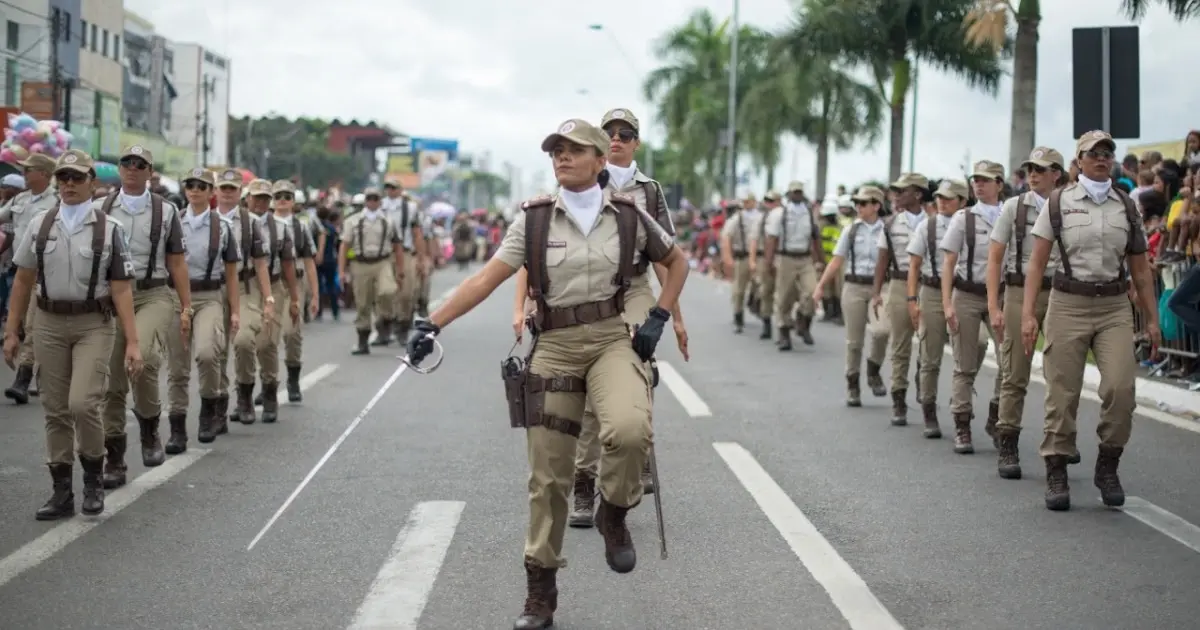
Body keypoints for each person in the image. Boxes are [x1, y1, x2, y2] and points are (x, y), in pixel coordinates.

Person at [406, 118, 688, 630]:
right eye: (556, 149)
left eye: (575, 149)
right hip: (555, 346)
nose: (562, 156)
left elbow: (678, 262)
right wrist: (433, 323)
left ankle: (615, 513)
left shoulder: (630, 215)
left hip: (611, 340)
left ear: (602, 160)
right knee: (548, 478)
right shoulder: (534, 221)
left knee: (628, 432)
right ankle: (541, 591)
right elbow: (486, 277)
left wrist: (659, 316)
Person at [1022, 130, 1161, 512]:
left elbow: (1141, 270)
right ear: (1078, 161)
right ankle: (1057, 468)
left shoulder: (1125, 206)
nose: (1101, 158)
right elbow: (1036, 264)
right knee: (1062, 393)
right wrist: (1028, 315)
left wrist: (1151, 319)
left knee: (1121, 389)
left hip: (1114, 306)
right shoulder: (1058, 202)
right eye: (1093, 153)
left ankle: (1108, 464)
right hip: (1067, 304)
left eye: (1107, 153)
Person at [2, 149, 141, 520]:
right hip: (47, 322)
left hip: (93, 323)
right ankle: (62, 491)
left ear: (91, 183)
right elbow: (23, 280)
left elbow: (122, 288)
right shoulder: (40, 224)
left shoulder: (110, 229)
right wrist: (12, 330)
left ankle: (93, 480)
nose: (68, 184)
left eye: (77, 178)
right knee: (56, 409)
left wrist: (133, 341)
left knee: (82, 403)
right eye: (63, 177)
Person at [97, 145, 190, 488]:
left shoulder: (166, 211)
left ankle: (150, 427)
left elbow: (177, 262)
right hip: (113, 297)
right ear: (120, 169)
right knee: (111, 377)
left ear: (150, 171)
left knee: (146, 359)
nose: (133, 169)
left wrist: (186, 307)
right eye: (127, 163)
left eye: (140, 164)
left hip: (153, 293)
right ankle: (115, 457)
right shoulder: (101, 208)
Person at [986, 148, 1074, 479]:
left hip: (1062, 293)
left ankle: (1064, 438)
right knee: (1015, 369)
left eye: (1042, 169)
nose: (1034, 174)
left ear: (1058, 174)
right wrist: (994, 305)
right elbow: (995, 257)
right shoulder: (1013, 207)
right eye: (1030, 169)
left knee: (1064, 370)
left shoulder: (1071, 205)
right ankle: (1007, 438)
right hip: (1020, 290)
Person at [163, 168, 241, 448]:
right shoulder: (172, 221)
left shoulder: (223, 227)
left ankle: (208, 412)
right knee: (177, 364)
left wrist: (234, 311)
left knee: (209, 354)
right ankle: (177, 426)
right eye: (190, 185)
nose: (195, 190)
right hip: (174, 297)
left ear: (212, 192)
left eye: (202, 185)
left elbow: (231, 274)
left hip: (209, 296)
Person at [939, 161, 1006, 454]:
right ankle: (962, 426)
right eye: (975, 180)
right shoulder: (963, 218)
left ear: (999, 185)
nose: (978, 184)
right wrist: (947, 305)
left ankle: (997, 416)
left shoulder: (1011, 215)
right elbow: (949, 262)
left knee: (1010, 363)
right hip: (966, 294)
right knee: (964, 365)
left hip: (1002, 297)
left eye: (986, 180)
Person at [904, 179, 970, 437]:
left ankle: (961, 402)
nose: (942, 201)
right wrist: (912, 300)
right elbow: (913, 265)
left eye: (949, 198)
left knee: (972, 347)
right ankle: (929, 408)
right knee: (930, 356)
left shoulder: (972, 224)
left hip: (963, 291)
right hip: (931, 291)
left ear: (963, 202)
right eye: (940, 197)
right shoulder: (927, 226)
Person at [812, 185, 889, 406]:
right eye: (857, 203)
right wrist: (820, 286)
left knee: (882, 331)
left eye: (864, 203)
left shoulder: (887, 230)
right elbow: (836, 260)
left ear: (876, 205)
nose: (858, 207)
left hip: (881, 288)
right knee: (854, 342)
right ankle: (853, 383)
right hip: (854, 287)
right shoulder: (851, 230)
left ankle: (873, 370)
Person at [231, 179, 299, 423]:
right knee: (243, 342)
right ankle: (244, 394)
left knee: (266, 343)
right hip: (245, 285)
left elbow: (289, 265)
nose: (260, 202)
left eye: (265, 199)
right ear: (247, 198)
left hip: (274, 287)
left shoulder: (280, 228)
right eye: (256, 197)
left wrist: (294, 298)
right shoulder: (234, 223)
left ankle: (270, 391)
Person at [214, 170, 273, 429]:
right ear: (216, 191)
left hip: (245, 285)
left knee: (244, 340)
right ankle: (217, 405)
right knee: (214, 349)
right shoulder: (204, 218)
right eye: (223, 188)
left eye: (232, 189)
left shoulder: (251, 222)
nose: (227, 192)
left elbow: (261, 263)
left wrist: (269, 297)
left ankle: (245, 396)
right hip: (213, 289)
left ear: (240, 193)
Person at [873, 173, 930, 424]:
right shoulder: (890, 224)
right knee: (900, 343)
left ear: (917, 194)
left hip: (928, 284)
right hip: (898, 282)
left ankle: (924, 383)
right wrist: (876, 292)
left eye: (902, 190)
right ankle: (898, 399)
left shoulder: (935, 222)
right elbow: (882, 260)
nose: (896, 195)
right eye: (895, 191)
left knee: (929, 343)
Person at [1, 154, 57, 404]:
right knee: (22, 323)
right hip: (18, 270)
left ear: (44, 174)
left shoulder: (57, 201)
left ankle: (23, 380)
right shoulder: (19, 199)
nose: (24, 173)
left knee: (33, 326)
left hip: (43, 273)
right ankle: (43, 373)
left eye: (29, 169)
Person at [339, 188, 404, 354]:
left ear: (380, 201)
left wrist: (400, 269)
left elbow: (397, 246)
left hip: (382, 261)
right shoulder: (353, 221)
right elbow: (344, 246)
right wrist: (341, 270)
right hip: (360, 264)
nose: (373, 202)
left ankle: (386, 318)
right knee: (362, 302)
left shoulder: (388, 221)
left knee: (387, 291)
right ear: (365, 201)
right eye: (370, 198)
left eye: (376, 199)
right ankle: (362, 340)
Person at [272, 180, 320, 401]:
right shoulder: (263, 225)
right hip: (270, 284)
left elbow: (309, 262)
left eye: (287, 196)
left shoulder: (301, 227)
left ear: (293, 202)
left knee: (292, 333)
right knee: (266, 337)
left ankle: (293, 377)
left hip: (296, 285)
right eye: (278, 195)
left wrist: (315, 295)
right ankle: (267, 382)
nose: (282, 200)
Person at [721, 195, 761, 333]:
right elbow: (726, 236)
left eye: (748, 201)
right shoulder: (737, 218)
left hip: (759, 257)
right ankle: (738, 315)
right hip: (742, 256)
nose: (746, 204)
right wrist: (728, 257)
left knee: (761, 285)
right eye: (744, 202)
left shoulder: (760, 216)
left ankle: (754, 303)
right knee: (739, 289)